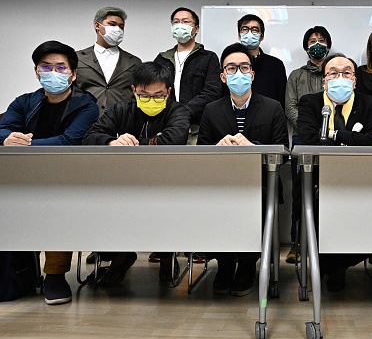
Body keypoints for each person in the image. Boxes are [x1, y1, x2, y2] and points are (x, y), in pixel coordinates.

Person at [0, 40, 99, 305]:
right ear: (36, 72)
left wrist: (25, 143)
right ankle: (17, 271)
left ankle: (54, 275)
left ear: (73, 73)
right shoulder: (25, 101)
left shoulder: (86, 104)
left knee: (58, 206)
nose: (52, 73)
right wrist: (7, 139)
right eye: (46, 67)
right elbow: (4, 128)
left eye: (60, 67)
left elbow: (70, 141)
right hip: (24, 176)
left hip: (69, 176)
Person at [82, 62, 191, 285]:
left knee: (166, 203)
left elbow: (174, 139)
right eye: (144, 95)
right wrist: (112, 141)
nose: (151, 100)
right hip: (126, 181)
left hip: (168, 181)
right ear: (134, 91)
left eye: (158, 95)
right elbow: (91, 136)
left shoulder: (177, 110)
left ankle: (167, 255)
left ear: (168, 92)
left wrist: (134, 143)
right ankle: (121, 255)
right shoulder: (121, 109)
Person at [198, 43, 288, 296]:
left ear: (252, 74)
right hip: (221, 182)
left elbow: (284, 150)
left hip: (261, 182)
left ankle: (248, 265)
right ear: (223, 77)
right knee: (213, 204)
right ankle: (225, 264)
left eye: (244, 67)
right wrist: (218, 146)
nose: (239, 72)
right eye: (231, 68)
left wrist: (254, 146)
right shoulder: (212, 109)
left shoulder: (272, 107)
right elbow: (202, 152)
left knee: (255, 203)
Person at [297, 53, 372, 291]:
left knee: (367, 212)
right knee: (315, 211)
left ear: (355, 80)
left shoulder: (369, 103)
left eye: (346, 73)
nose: (340, 78)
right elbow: (310, 138)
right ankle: (323, 263)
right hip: (318, 176)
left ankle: (340, 264)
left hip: (360, 177)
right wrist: (353, 138)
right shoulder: (309, 102)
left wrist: (335, 135)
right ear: (324, 80)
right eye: (333, 73)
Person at [284, 25, 332, 264]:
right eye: (312, 40)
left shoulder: (337, 73)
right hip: (302, 143)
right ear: (306, 47)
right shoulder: (296, 76)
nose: (317, 44)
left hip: (334, 144)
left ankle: (327, 243)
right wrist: (309, 129)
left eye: (321, 40)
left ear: (329, 46)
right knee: (300, 195)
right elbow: (290, 107)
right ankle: (297, 243)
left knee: (330, 193)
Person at [154, 7, 223, 145]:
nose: (180, 25)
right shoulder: (162, 59)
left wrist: (184, 112)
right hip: (167, 129)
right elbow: (154, 92)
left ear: (196, 29)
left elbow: (212, 92)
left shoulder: (209, 58)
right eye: (176, 22)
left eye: (185, 22)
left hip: (198, 130)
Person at [76, 7, 142, 116]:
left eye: (121, 27)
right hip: (86, 121)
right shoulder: (78, 58)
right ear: (97, 25)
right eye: (112, 24)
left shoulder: (134, 62)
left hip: (122, 123)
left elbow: (139, 94)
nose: (117, 29)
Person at [237, 14, 287, 108]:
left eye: (255, 30)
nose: (249, 33)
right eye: (245, 29)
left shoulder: (276, 65)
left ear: (262, 36)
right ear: (239, 35)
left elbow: (282, 100)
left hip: (268, 118)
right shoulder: (230, 64)